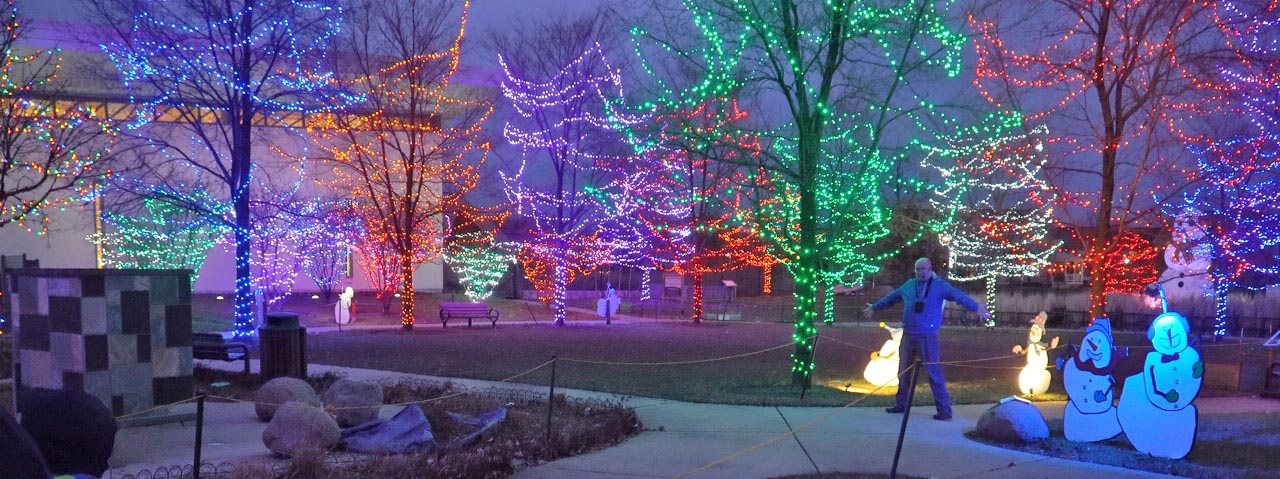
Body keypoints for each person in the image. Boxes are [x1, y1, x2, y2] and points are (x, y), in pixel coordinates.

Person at [862, 257, 990, 420]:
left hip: (927, 337)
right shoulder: (909, 285)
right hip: (908, 335)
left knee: (934, 373)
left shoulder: (940, 286)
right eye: (919, 269)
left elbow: (958, 295)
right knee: (903, 371)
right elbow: (892, 297)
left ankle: (944, 411)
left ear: (930, 269)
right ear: (915, 271)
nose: (922, 272)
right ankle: (901, 405)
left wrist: (976, 307)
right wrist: (875, 307)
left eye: (925, 269)